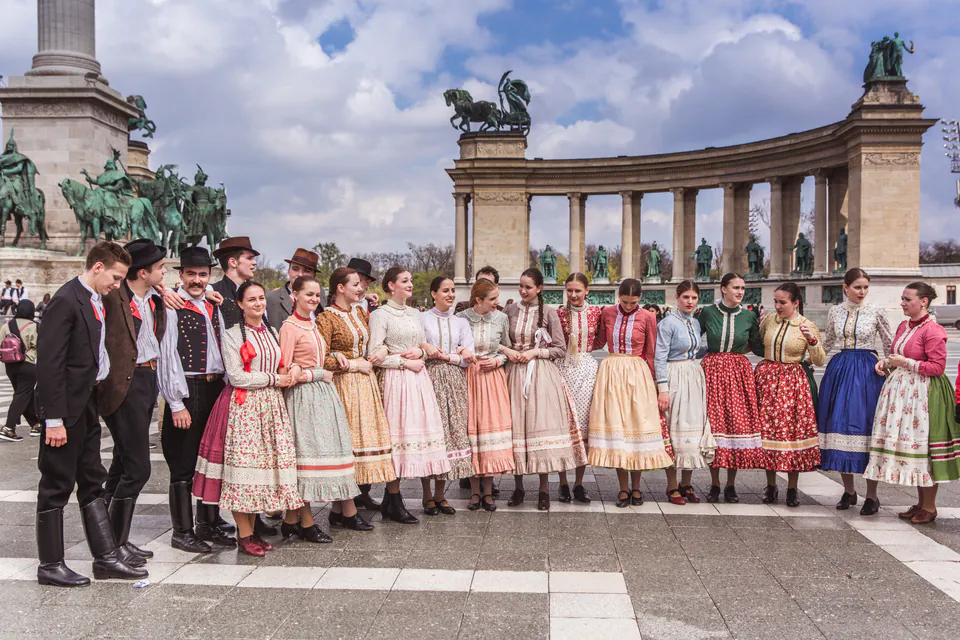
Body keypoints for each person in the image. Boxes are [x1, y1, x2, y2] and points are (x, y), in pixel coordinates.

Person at [35, 242, 147, 586]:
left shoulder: (96, 299)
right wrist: (53, 419)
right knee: (56, 484)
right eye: (115, 277)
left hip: (87, 404)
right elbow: (49, 364)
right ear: (97, 267)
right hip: (64, 410)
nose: (117, 284)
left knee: (92, 480)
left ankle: (106, 559)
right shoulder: (67, 300)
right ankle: (50, 565)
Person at [99, 239, 179, 569]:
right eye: (161, 268)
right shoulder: (116, 298)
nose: (166, 272)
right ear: (143, 272)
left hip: (147, 380)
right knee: (138, 468)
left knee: (121, 464)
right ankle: (111, 546)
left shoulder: (155, 300)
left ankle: (113, 538)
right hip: (126, 383)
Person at [280, 275, 370, 539]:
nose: (314, 299)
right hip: (303, 396)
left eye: (317, 295)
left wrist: (334, 356)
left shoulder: (312, 324)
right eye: (308, 294)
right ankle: (306, 523)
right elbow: (285, 371)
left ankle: (290, 520)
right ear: (294, 295)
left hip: (323, 396)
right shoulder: (289, 327)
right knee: (306, 458)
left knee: (331, 452)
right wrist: (315, 374)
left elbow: (316, 357)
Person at [218, 281, 303, 556]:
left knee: (264, 471)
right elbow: (237, 376)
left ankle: (253, 532)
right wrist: (275, 379)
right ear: (240, 304)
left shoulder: (272, 331)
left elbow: (283, 361)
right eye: (251, 299)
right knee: (244, 471)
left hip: (272, 406)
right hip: (246, 407)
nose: (257, 303)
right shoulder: (232, 335)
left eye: (260, 298)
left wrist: (294, 369)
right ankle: (243, 535)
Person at [160, 247, 236, 552]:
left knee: (212, 459)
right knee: (183, 463)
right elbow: (167, 357)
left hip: (215, 387)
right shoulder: (170, 304)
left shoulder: (213, 304)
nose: (196, 280)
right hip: (188, 388)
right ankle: (182, 530)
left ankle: (208, 522)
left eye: (202, 274)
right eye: (191, 274)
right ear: (180, 275)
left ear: (210, 276)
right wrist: (176, 403)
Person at [864, 283, 960, 524]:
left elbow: (937, 367)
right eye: (902, 299)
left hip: (924, 394)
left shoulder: (933, 330)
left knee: (923, 448)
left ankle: (930, 506)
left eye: (908, 299)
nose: (903, 303)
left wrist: (905, 362)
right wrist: (886, 364)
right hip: (902, 391)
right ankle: (920, 503)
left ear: (924, 301)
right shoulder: (903, 326)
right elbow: (897, 357)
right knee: (914, 450)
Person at [316, 268, 403, 519]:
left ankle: (339, 509)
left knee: (365, 442)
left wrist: (383, 351)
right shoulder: (327, 317)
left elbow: (379, 341)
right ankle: (345, 508)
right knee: (348, 444)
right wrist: (354, 364)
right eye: (356, 284)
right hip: (343, 386)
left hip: (365, 386)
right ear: (340, 288)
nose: (361, 288)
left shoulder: (360, 313)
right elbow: (320, 358)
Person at [502, 268, 587, 511]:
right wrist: (510, 352)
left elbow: (559, 348)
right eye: (521, 286)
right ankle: (517, 487)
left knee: (540, 427)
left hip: (540, 374)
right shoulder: (509, 311)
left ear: (539, 288)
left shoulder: (548, 313)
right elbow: (499, 340)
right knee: (516, 426)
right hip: (514, 373)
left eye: (528, 287)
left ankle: (543, 490)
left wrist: (535, 352)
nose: (523, 290)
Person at [368, 267, 451, 514]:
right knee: (397, 436)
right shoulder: (380, 315)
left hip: (418, 379)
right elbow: (374, 355)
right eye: (405, 281)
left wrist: (422, 353)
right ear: (391, 286)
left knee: (416, 435)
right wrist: (404, 362)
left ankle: (393, 500)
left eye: (411, 280)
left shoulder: (415, 313)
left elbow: (422, 345)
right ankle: (393, 497)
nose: (410, 284)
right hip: (395, 379)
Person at [589, 278, 672, 507]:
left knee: (636, 428)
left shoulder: (648, 317)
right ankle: (623, 489)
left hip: (637, 373)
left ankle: (637, 488)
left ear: (640, 299)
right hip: (612, 370)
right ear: (618, 296)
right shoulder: (607, 312)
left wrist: (659, 387)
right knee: (618, 430)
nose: (628, 306)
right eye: (624, 301)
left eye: (633, 302)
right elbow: (598, 341)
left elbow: (651, 352)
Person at [818, 268, 893, 515]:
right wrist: (809, 356)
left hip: (867, 371)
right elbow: (828, 341)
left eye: (865, 287)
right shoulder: (835, 311)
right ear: (845, 287)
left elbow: (890, 343)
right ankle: (849, 490)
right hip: (840, 369)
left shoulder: (876, 311)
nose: (862, 292)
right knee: (839, 424)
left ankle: (872, 495)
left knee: (866, 427)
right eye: (857, 287)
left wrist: (887, 364)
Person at [697, 273, 765, 503]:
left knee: (735, 426)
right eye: (735, 287)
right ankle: (715, 483)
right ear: (723, 289)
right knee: (714, 426)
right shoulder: (708, 312)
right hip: (713, 370)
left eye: (742, 288)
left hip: (738, 372)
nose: (740, 292)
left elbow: (758, 347)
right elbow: (694, 339)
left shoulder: (748, 316)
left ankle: (731, 484)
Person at [756, 283, 825, 507]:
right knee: (768, 432)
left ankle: (792, 488)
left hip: (792, 381)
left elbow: (819, 360)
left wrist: (813, 342)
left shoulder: (807, 325)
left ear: (796, 303)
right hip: (767, 378)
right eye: (775, 301)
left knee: (791, 433)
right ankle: (770, 484)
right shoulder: (768, 320)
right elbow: (759, 343)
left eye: (782, 302)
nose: (777, 306)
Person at [655, 280, 715, 505]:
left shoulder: (696, 323)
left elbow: (696, 349)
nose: (690, 302)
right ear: (677, 298)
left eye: (694, 298)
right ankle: (672, 486)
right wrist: (663, 388)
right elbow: (659, 356)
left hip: (693, 376)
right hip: (674, 375)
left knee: (694, 430)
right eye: (686, 297)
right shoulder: (668, 323)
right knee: (674, 428)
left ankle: (686, 483)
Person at [420, 276, 476, 514]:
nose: (451, 294)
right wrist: (428, 349)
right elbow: (418, 345)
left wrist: (447, 357)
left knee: (451, 434)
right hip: (429, 378)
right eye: (445, 290)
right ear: (434, 294)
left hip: (454, 381)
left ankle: (441, 494)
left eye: (453, 290)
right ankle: (426, 495)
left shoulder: (460, 322)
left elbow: (468, 357)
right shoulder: (422, 319)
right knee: (430, 433)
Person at [458, 278, 514, 511]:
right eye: (492, 299)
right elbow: (455, 345)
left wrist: (498, 359)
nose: (496, 303)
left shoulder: (501, 318)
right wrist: (463, 352)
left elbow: (507, 348)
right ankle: (473, 491)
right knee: (473, 430)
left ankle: (488, 492)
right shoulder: (461, 319)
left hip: (492, 378)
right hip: (469, 376)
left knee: (491, 430)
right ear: (479, 299)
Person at [555, 272, 599, 504]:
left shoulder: (596, 312)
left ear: (586, 290)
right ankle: (562, 482)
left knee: (584, 426)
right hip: (563, 367)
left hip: (587, 368)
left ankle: (579, 483)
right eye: (569, 290)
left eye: (578, 290)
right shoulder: (558, 313)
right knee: (564, 425)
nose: (573, 295)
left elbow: (600, 338)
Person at [0, 299, 40, 441]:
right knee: (22, 395)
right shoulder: (34, 326)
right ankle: (9, 428)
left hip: (10, 365)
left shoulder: (7, 325)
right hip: (28, 364)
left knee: (22, 394)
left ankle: (36, 424)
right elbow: (40, 346)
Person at [211, 236, 259, 330]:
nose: (255, 262)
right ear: (233, 262)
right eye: (249, 258)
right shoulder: (211, 292)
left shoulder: (257, 292)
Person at [266, 248, 320, 331]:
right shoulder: (270, 298)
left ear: (314, 276)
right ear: (288, 271)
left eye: (306, 271)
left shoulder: (321, 299)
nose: (300, 274)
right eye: (295, 269)